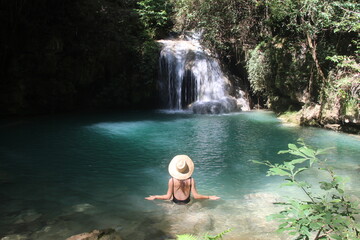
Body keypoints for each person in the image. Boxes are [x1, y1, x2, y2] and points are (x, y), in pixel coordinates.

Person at [145, 155, 220, 204]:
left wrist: (155, 196)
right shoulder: (191, 180)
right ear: (187, 169)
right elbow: (196, 196)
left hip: (175, 202)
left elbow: (167, 197)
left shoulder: (172, 181)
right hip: (187, 202)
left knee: (170, 198)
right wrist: (209, 197)